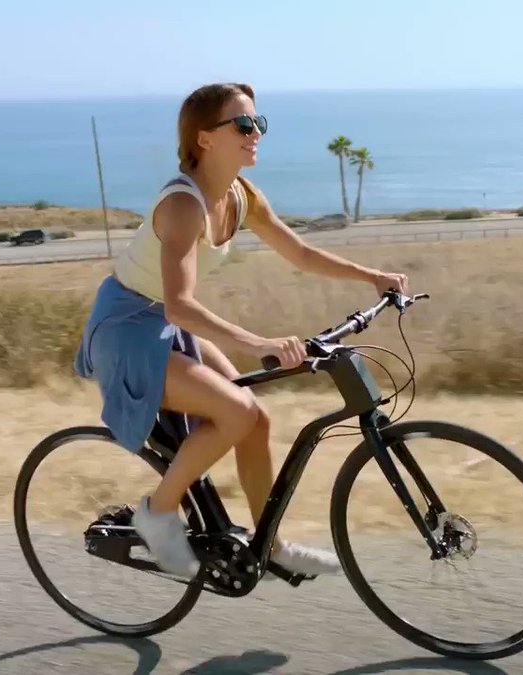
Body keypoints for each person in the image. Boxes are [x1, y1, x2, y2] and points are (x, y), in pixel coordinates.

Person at [73, 82, 409, 578]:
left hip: (164, 322)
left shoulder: (240, 196)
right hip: (127, 328)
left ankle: (270, 545)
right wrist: (260, 343)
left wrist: (372, 276)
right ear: (205, 138)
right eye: (244, 124)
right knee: (237, 410)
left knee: (257, 419)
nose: (256, 133)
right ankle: (157, 513)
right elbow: (180, 305)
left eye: (259, 123)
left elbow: (300, 253)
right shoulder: (182, 205)